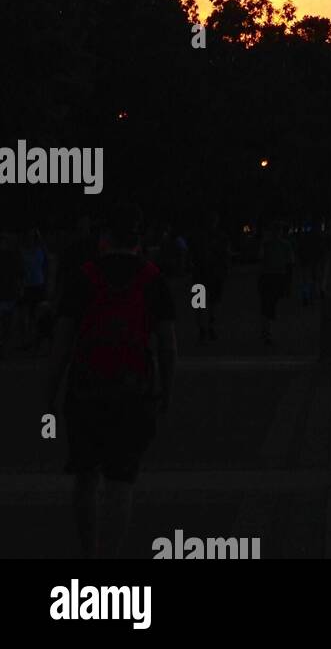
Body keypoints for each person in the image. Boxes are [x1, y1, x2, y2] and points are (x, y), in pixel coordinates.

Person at [46, 203, 176, 559]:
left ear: (104, 239)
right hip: (133, 390)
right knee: (121, 481)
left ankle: (89, 551)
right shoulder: (152, 278)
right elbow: (167, 343)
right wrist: (166, 391)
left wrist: (50, 391)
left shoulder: (85, 276)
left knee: (85, 477)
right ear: (138, 240)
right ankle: (110, 554)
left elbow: (62, 341)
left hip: (86, 389)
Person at [189, 213, 230, 345]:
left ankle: (205, 328)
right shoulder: (218, 237)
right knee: (210, 303)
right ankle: (206, 328)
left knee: (208, 304)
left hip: (206, 274)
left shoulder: (200, 237)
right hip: (206, 274)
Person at [256, 222, 295, 345]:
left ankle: (267, 329)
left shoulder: (271, 245)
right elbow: (289, 264)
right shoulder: (281, 245)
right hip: (273, 276)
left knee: (269, 305)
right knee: (270, 305)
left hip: (272, 276)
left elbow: (261, 260)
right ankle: (268, 330)